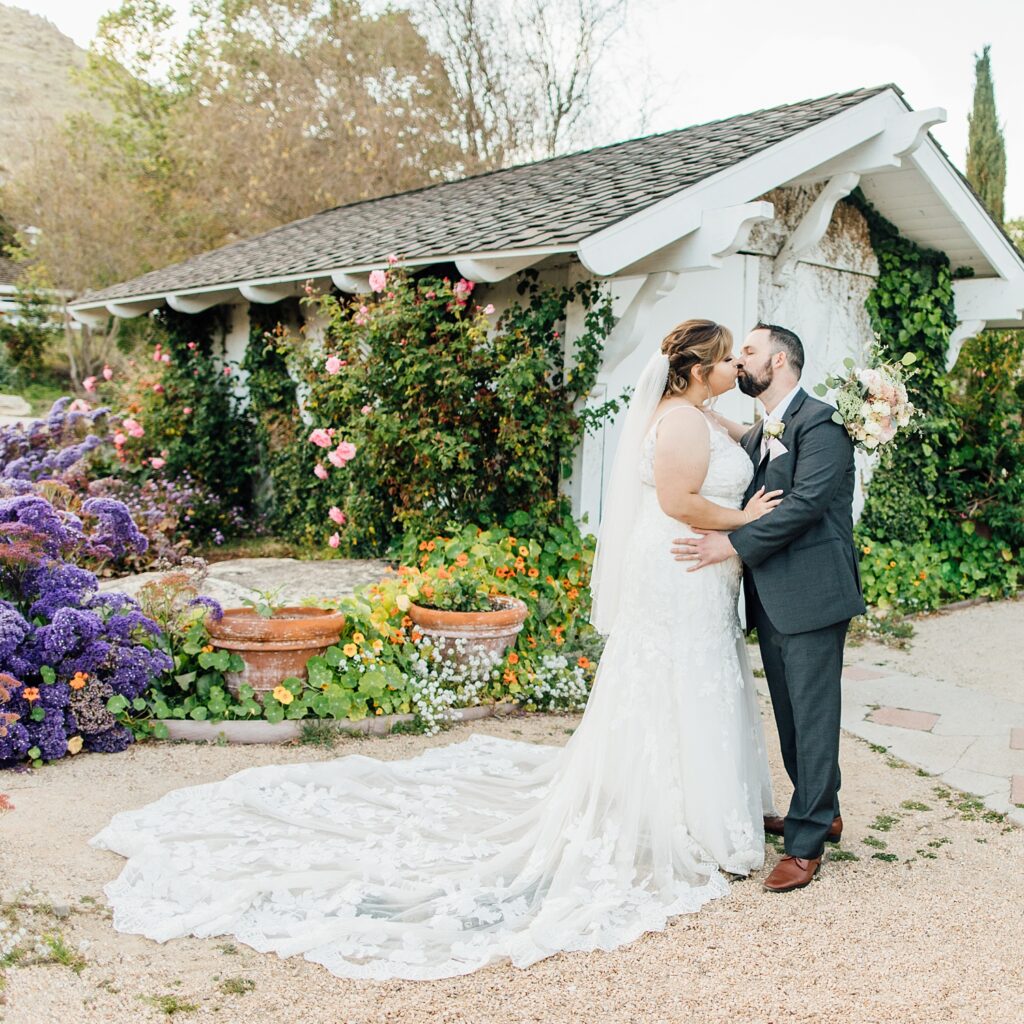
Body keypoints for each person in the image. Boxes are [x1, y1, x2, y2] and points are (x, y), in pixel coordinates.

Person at [91, 319, 779, 980]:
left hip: (697, 575)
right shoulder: (684, 419)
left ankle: (686, 804)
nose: (734, 368)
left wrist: (776, 409)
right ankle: (679, 815)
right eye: (726, 359)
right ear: (695, 369)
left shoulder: (698, 413)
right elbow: (678, 500)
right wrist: (746, 519)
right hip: (684, 563)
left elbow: (749, 433)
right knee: (680, 680)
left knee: (688, 682)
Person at [672, 323, 865, 893]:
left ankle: (804, 845)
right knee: (791, 714)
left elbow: (804, 505)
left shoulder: (823, 423)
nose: (738, 362)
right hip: (774, 596)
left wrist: (729, 542)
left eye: (748, 353)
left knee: (811, 717)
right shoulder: (768, 428)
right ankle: (820, 810)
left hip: (813, 592)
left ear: (778, 361)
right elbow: (751, 448)